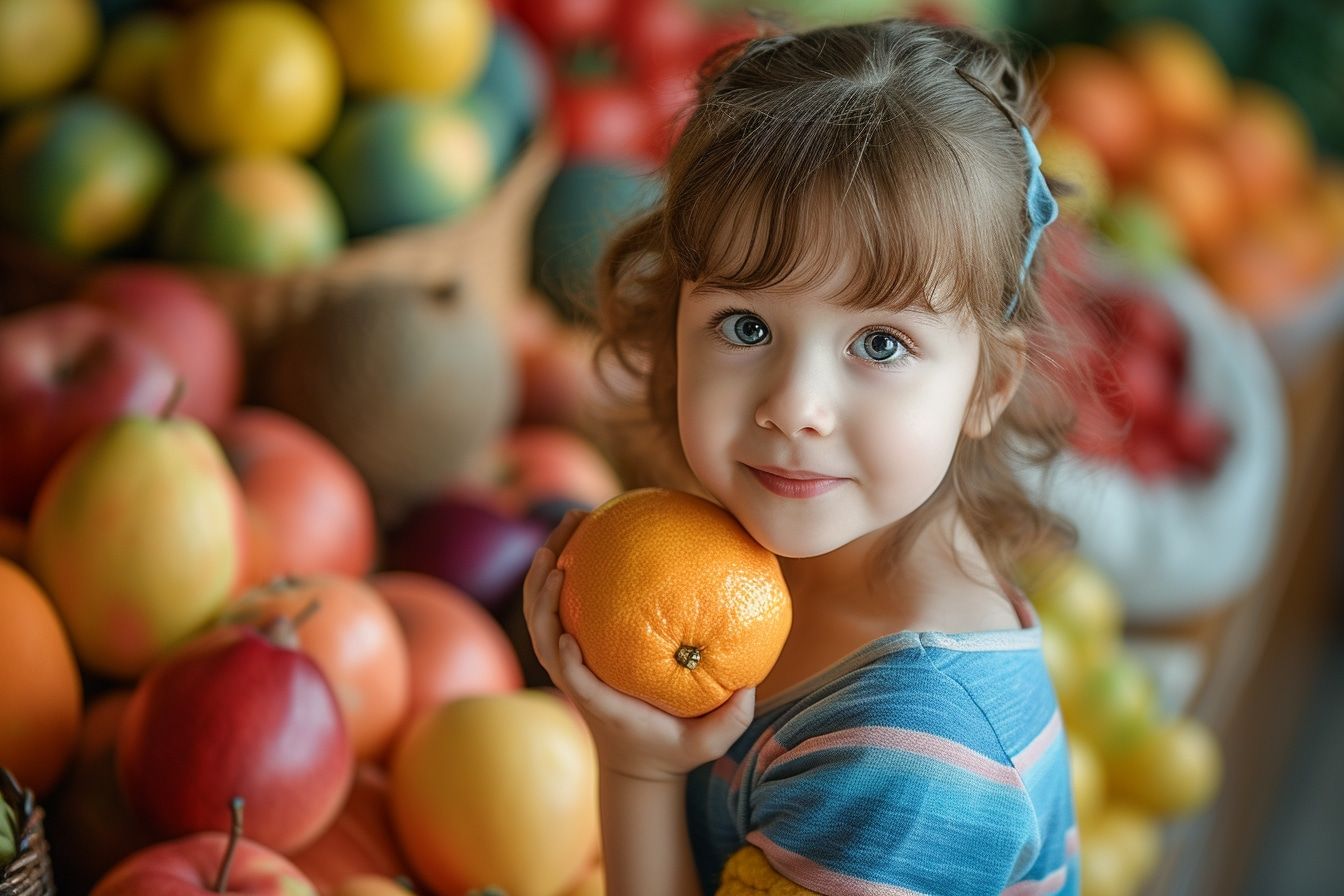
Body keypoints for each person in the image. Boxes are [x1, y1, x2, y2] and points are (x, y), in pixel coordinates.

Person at [524, 15, 1080, 896]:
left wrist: (636, 766)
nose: (793, 406)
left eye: (882, 344)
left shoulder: (910, 756)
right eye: (746, 326)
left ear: (987, 387)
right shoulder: (761, 554)